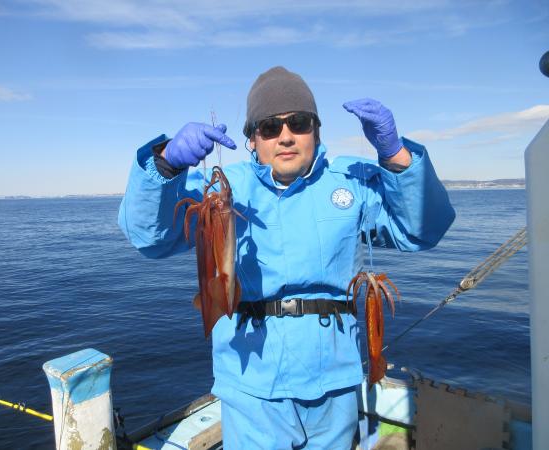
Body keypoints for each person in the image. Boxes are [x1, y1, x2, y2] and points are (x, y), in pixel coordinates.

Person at [118, 66, 455, 449]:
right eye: (269, 127)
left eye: (299, 122)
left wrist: (396, 158)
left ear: (316, 131)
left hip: (336, 382)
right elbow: (149, 236)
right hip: (251, 385)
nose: (286, 136)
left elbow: (421, 231)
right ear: (252, 139)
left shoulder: (352, 182)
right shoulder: (221, 190)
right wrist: (166, 165)